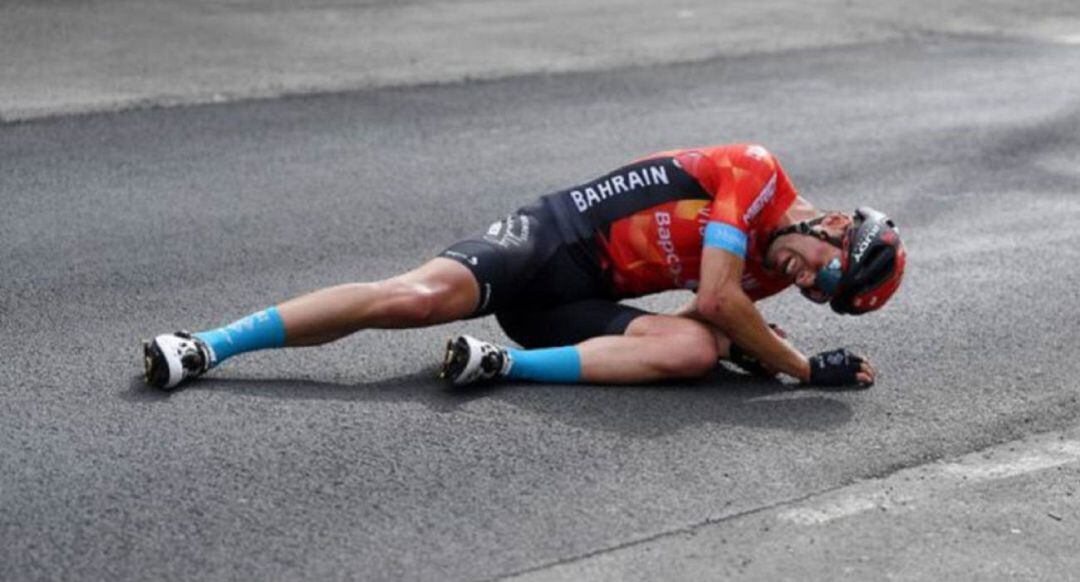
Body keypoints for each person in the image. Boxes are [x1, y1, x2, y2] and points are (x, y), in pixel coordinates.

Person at [142, 144, 906, 391]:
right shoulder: (757, 172)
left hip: (583, 300)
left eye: (824, 298)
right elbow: (714, 294)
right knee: (412, 299)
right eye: (828, 274)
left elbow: (713, 323)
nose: (811, 285)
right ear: (837, 226)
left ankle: (502, 364)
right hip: (549, 237)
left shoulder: (773, 274)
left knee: (692, 350)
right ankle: (208, 345)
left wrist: (754, 344)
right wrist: (804, 369)